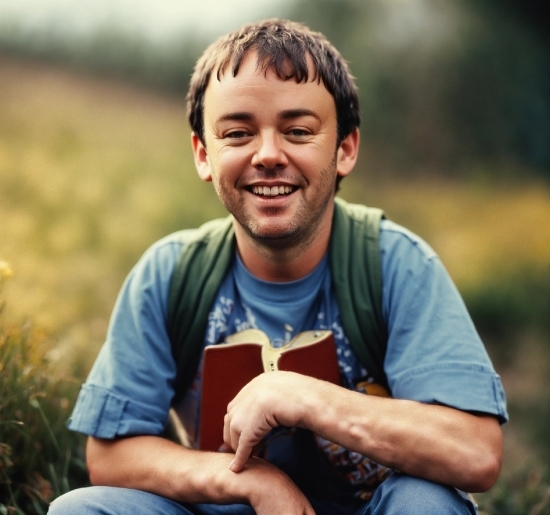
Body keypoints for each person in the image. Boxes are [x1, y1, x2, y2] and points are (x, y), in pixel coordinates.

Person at [49, 19, 507, 515]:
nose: (268, 155)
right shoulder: (169, 274)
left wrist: (302, 397)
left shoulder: (397, 266)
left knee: (425, 503)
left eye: (298, 131)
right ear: (204, 154)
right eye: (239, 132)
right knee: (79, 509)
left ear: (345, 148)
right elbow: (109, 455)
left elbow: (476, 452)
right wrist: (252, 483)